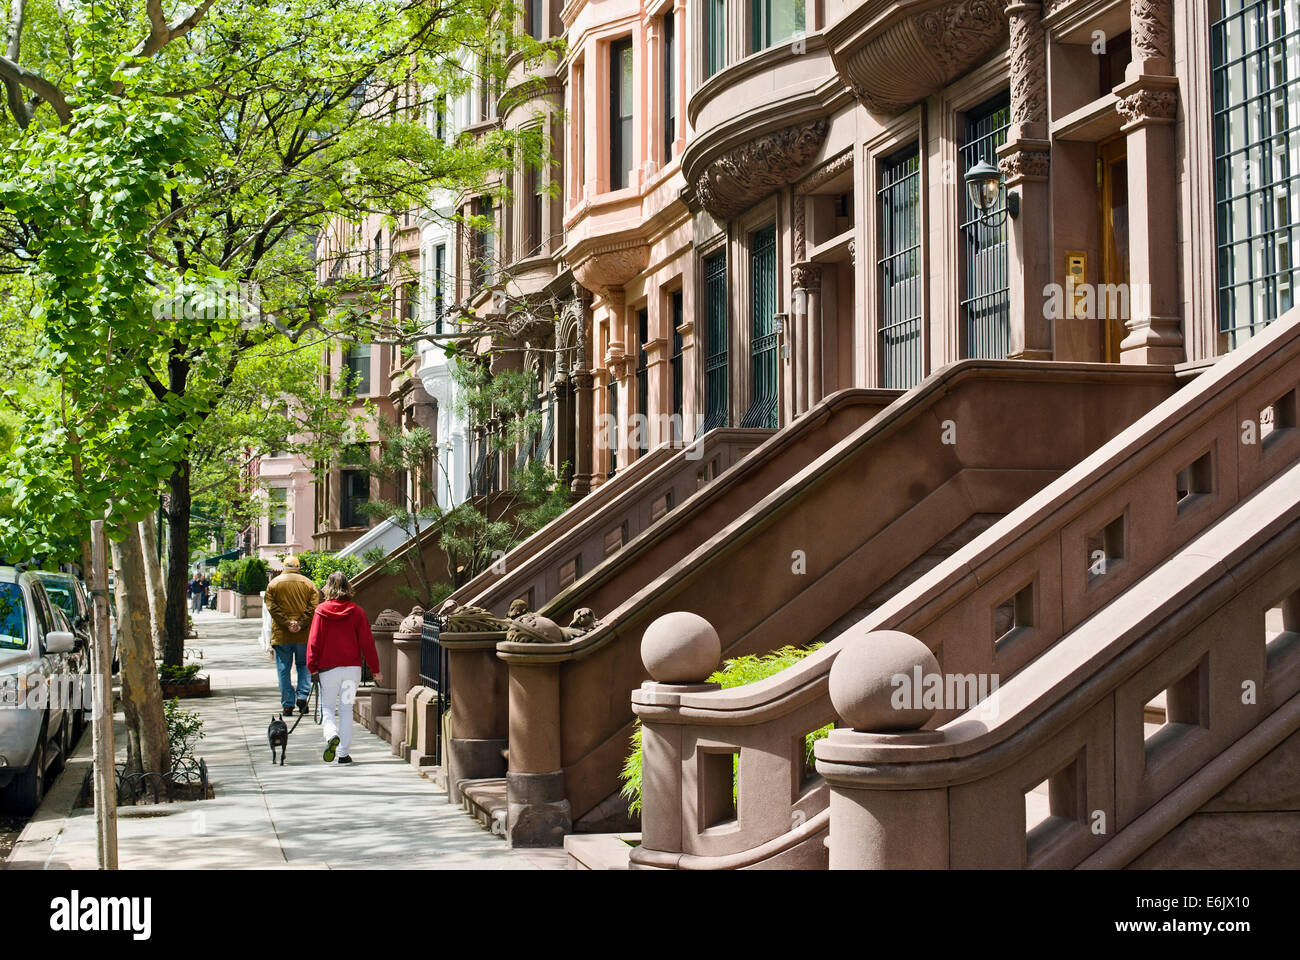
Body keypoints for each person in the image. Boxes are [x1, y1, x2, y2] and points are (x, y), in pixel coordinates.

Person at [306, 571, 380, 765]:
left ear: (328, 588)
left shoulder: (321, 611)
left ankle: (331, 735)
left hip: (328, 670)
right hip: (352, 670)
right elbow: (367, 643)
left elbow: (314, 642)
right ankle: (343, 754)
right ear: (348, 588)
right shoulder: (357, 612)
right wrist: (375, 668)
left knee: (328, 708)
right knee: (346, 710)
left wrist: (311, 666)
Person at [263, 555, 319, 717]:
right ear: (298, 568)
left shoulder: (273, 584)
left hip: (282, 635)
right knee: (303, 666)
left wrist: (288, 623)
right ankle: (302, 696)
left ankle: (288, 704)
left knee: (283, 669)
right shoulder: (308, 584)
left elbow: (272, 608)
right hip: (303, 634)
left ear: (283, 568)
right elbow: (313, 607)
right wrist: (299, 623)